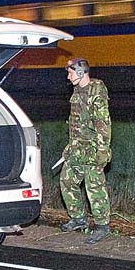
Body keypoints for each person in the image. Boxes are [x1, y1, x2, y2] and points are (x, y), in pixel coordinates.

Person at [59, 57, 113, 244]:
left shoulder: (95, 92)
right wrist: (69, 147)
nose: (68, 76)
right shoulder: (77, 91)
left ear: (80, 72)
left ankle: (102, 226)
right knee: (67, 181)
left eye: (70, 72)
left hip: (92, 149)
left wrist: (103, 149)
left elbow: (103, 123)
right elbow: (76, 124)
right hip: (77, 148)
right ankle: (79, 218)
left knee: (94, 188)